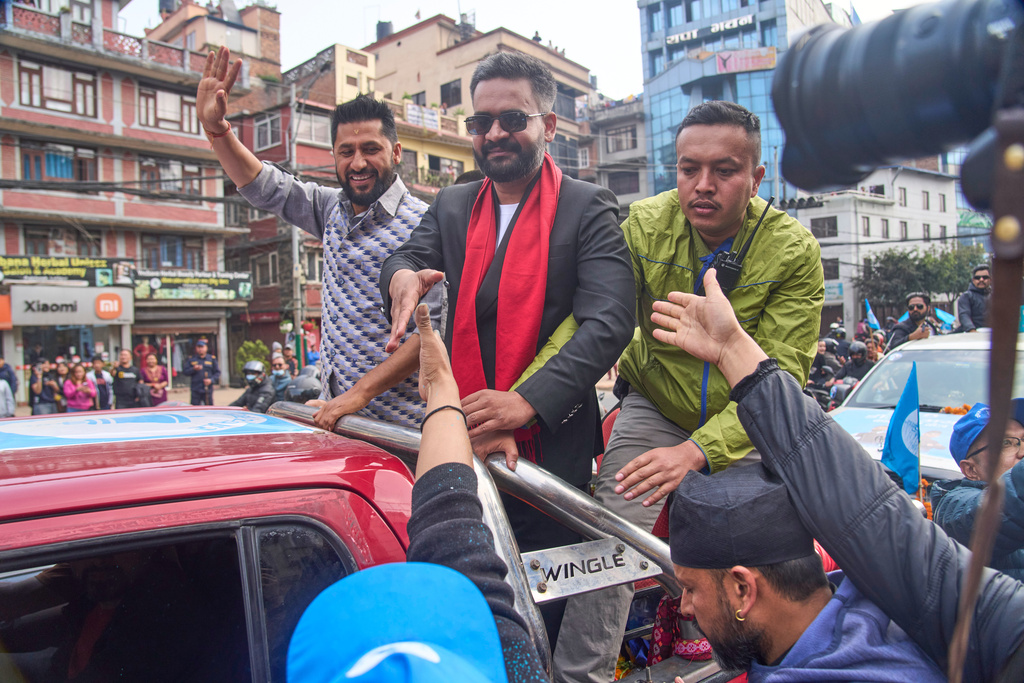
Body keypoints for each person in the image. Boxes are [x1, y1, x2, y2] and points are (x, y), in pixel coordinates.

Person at [553, 101, 823, 683]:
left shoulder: (793, 250)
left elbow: (781, 381)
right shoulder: (644, 225)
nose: (702, 186)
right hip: (657, 404)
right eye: (687, 168)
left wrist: (697, 452)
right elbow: (592, 324)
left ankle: (761, 667)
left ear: (757, 177)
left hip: (748, 412)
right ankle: (579, 676)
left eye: (724, 170)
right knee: (608, 531)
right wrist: (527, 399)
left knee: (761, 555)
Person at [653, 268, 1024, 682]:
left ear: (744, 589)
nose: (683, 607)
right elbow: (866, 511)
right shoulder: (929, 611)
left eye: (690, 588)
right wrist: (734, 351)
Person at [380, 51, 635, 645]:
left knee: (533, 617)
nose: (494, 133)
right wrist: (401, 276)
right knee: (460, 605)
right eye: (480, 122)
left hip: (546, 453)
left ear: (548, 125)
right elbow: (408, 257)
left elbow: (609, 319)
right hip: (458, 441)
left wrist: (525, 402)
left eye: (512, 119)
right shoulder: (451, 205)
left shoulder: (586, 207)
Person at [288, 304, 547, 682]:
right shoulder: (508, 660)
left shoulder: (511, 663)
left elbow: (450, 534)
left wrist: (441, 384)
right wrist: (442, 384)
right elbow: (452, 536)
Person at [196, 47, 439, 431]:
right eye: (347, 152)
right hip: (339, 420)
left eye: (371, 149)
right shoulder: (331, 210)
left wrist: (360, 393)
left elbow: (432, 332)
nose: (357, 163)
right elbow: (266, 187)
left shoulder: (427, 223)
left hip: (402, 430)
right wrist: (217, 130)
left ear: (396, 152)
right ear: (334, 157)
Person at [931, 400, 1024, 581]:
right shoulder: (953, 506)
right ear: (971, 470)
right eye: (1006, 442)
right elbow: (992, 511)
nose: (1022, 452)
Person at [183, 339, 220, 406]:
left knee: (209, 407)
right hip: (195, 389)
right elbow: (185, 372)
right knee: (194, 408)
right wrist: (193, 369)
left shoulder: (211, 359)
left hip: (207, 389)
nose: (200, 349)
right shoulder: (192, 359)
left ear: (206, 347)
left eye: (202, 347)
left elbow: (217, 373)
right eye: (199, 347)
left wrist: (211, 380)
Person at [957, 264, 991, 332]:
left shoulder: (997, 297)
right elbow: (964, 315)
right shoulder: (966, 297)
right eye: (977, 278)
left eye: (985, 277)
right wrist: (972, 330)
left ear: (990, 279)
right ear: (973, 280)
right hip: (973, 336)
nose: (981, 280)